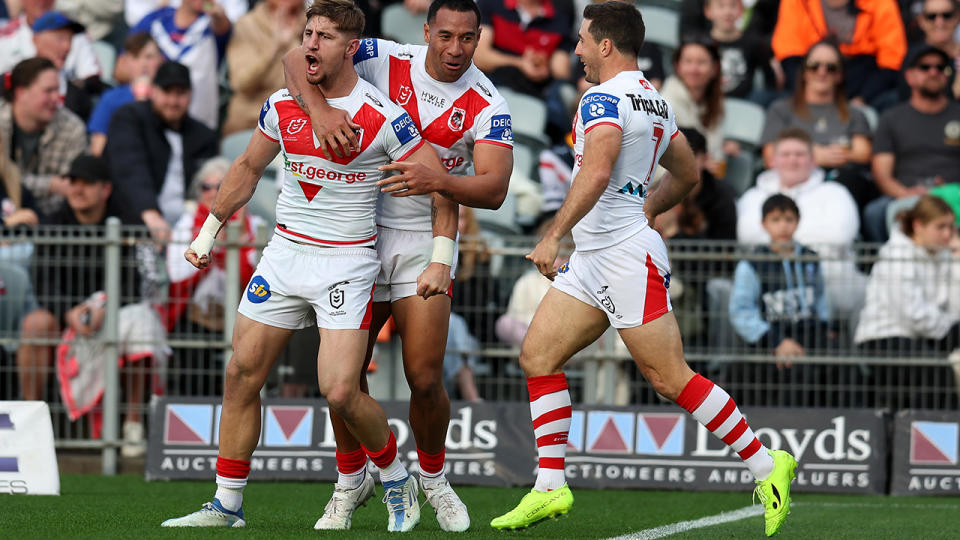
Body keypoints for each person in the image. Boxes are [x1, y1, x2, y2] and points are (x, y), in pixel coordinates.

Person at [490, 3, 797, 536]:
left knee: (668, 378)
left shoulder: (602, 98)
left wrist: (553, 234)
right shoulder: (653, 98)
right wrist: (650, 207)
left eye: (584, 40)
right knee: (538, 356)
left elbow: (600, 169)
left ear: (606, 45)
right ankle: (549, 486)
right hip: (598, 255)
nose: (578, 49)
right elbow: (687, 171)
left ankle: (768, 465)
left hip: (623, 257)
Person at [161, 0, 457, 532]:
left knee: (341, 391)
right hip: (283, 255)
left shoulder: (384, 116)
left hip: (346, 263)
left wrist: (440, 259)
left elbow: (440, 189)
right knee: (240, 375)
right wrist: (208, 233)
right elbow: (248, 168)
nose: (310, 45)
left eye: (323, 36)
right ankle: (226, 504)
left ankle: (394, 475)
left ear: (352, 47)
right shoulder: (282, 104)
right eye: (308, 33)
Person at [281, 0, 514, 530]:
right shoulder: (385, 57)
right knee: (344, 376)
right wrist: (318, 109)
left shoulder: (487, 102)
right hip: (359, 230)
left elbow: (495, 189)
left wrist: (440, 183)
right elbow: (298, 58)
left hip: (424, 238)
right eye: (446, 35)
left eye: (468, 38)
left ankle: (433, 479)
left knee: (425, 375)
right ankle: (350, 481)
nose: (455, 49)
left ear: (479, 39)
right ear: (427, 30)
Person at [44, 154, 168, 457]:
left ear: (106, 189)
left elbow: (138, 282)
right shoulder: (55, 222)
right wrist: (68, 311)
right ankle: (35, 423)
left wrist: (106, 308)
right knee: (35, 324)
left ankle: (133, 425)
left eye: (87, 183)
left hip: (118, 311)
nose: (77, 189)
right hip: (69, 318)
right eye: (73, 181)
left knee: (142, 323)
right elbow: (43, 280)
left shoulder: (130, 223)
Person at [855, 195, 960, 407]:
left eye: (951, 227)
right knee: (938, 372)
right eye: (941, 227)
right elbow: (911, 314)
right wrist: (946, 326)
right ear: (918, 225)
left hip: (926, 334)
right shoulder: (896, 255)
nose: (947, 234)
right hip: (885, 338)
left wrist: (957, 259)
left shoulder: (942, 255)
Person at [104, 61, 218, 239]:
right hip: (137, 227)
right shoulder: (130, 118)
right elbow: (129, 168)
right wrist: (150, 213)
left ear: (190, 95)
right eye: (167, 92)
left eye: (180, 94)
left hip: (190, 232)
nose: (173, 101)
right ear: (153, 91)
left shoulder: (204, 136)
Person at [759, 41, 875, 209]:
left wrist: (826, 156)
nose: (822, 72)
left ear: (839, 75)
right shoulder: (781, 109)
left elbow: (863, 153)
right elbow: (770, 156)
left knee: (850, 179)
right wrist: (813, 156)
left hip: (840, 182)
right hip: (792, 181)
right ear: (804, 72)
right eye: (814, 66)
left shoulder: (854, 113)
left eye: (831, 67)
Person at [865, 45, 960, 241]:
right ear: (909, 76)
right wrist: (905, 193)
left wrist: (949, 191)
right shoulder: (892, 118)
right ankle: (889, 268)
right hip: (907, 195)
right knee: (874, 213)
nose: (934, 72)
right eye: (925, 67)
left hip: (955, 194)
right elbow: (881, 173)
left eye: (941, 68)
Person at [730, 193, 831, 358]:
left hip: (811, 334)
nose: (783, 226)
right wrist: (776, 342)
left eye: (789, 219)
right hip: (770, 339)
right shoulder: (751, 265)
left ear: (798, 221)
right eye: (775, 220)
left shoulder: (810, 258)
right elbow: (741, 311)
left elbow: (820, 298)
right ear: (764, 224)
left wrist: (826, 327)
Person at [772, 0, 907, 108]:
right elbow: (789, 53)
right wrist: (806, 95)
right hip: (811, 79)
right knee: (770, 102)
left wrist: (862, 99)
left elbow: (892, 61)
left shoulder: (881, 3)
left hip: (863, 83)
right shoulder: (797, 2)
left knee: (894, 101)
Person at [0, 57, 86, 219]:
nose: (56, 98)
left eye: (57, 91)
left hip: (53, 225)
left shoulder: (72, 128)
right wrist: (49, 185)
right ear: (21, 93)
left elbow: (70, 190)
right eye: (48, 91)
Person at [130, 0, 232, 130]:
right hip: (152, 117)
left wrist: (218, 13)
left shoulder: (212, 24)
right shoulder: (155, 19)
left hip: (197, 119)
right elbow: (122, 66)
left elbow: (222, 28)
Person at [221, 0, 304, 136]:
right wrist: (276, 47)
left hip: (299, 119)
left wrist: (297, 39)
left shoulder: (316, 24)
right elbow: (241, 83)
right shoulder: (247, 24)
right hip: (250, 119)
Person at [660, 39, 737, 176]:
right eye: (688, 62)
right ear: (677, 66)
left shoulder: (715, 103)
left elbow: (714, 152)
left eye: (701, 62)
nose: (694, 69)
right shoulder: (665, 102)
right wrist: (701, 162)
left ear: (714, 69)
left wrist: (722, 150)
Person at [87, 32, 165, 156]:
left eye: (149, 57)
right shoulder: (111, 98)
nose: (143, 63)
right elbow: (98, 148)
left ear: (161, 60)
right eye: (136, 57)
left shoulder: (167, 98)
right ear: (126, 61)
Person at [703, 0, 782, 101]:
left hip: (745, 104)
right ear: (708, 11)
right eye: (721, 6)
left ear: (741, 10)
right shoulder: (701, 44)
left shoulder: (753, 43)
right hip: (707, 103)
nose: (727, 12)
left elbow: (770, 79)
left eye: (733, 6)